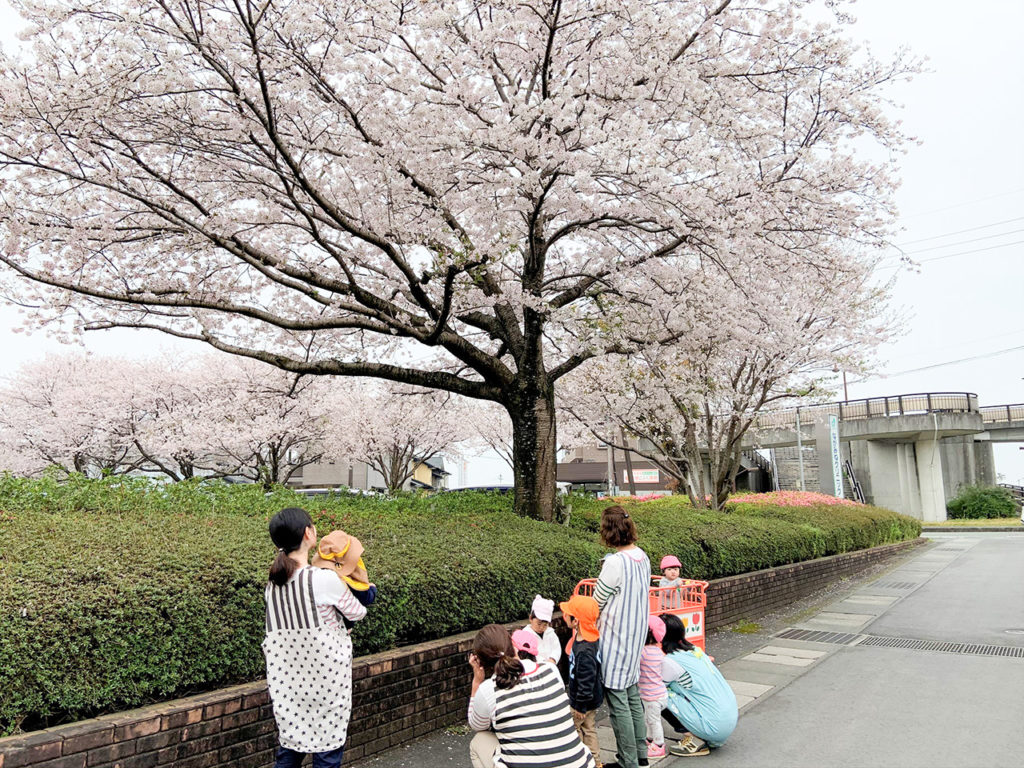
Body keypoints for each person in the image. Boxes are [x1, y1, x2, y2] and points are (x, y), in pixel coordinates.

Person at [263, 507, 368, 768]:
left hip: (288, 683)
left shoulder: (272, 585)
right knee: (327, 753)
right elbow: (358, 611)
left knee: (289, 749)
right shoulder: (322, 580)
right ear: (309, 533)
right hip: (326, 681)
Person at [467, 624, 595, 768]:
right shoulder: (550, 669)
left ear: (481, 662)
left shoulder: (489, 689)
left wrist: (477, 682)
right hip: (580, 764)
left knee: (479, 741)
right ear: (513, 646)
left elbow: (477, 725)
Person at [594, 506, 651, 768]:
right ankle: (641, 755)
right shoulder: (643, 557)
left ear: (608, 531)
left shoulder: (614, 563)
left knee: (618, 705)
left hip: (615, 640)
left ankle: (628, 762)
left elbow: (597, 602)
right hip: (635, 637)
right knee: (632, 696)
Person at [659, 614, 738, 757]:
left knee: (655, 694)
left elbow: (656, 687)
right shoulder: (695, 651)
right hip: (727, 720)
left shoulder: (670, 662)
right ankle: (702, 734)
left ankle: (695, 739)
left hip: (714, 726)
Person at [560, 594, 604, 768]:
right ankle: (596, 761)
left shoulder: (584, 650)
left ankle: (578, 761)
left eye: (567, 614)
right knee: (589, 728)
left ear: (576, 621)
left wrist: (579, 706)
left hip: (582, 700)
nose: (564, 616)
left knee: (573, 729)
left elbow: (586, 681)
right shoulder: (590, 638)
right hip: (591, 699)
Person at [638, 616, 669, 759]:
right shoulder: (659, 652)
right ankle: (649, 739)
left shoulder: (642, 653)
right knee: (649, 719)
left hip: (651, 697)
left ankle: (659, 745)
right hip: (660, 693)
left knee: (653, 721)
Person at [523, 594, 562, 664]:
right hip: (536, 669)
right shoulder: (525, 634)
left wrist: (553, 659)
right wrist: (542, 662)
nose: (541, 628)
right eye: (539, 624)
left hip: (551, 666)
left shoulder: (550, 633)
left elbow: (556, 648)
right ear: (530, 618)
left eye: (545, 625)